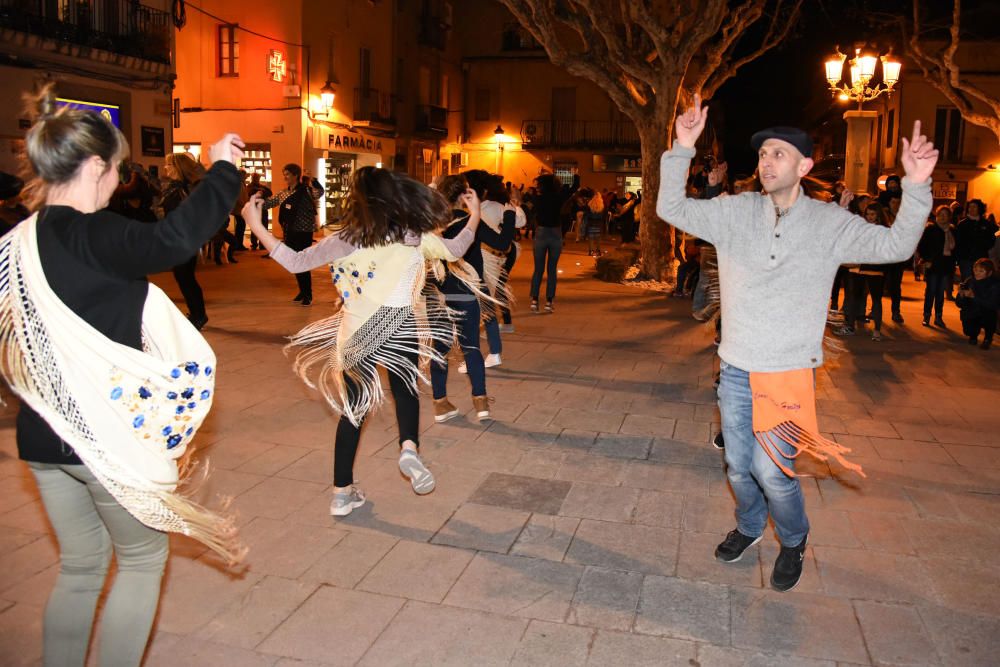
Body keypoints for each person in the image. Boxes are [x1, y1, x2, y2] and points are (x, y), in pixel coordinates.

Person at [2, 85, 243, 667]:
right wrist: (222, 172)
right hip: (105, 441)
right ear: (92, 167)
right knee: (140, 561)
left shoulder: (11, 245)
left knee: (81, 569)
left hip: (41, 440)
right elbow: (175, 239)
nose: (118, 180)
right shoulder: (95, 234)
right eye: (116, 168)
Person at [658, 97, 936, 592]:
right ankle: (747, 527)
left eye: (778, 154)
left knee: (772, 471)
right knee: (739, 468)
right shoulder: (733, 213)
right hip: (736, 367)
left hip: (786, 371)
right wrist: (682, 147)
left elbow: (895, 247)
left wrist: (916, 186)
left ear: (804, 166)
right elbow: (669, 207)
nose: (766, 162)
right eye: (763, 155)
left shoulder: (830, 223)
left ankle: (793, 539)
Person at [243, 167, 479, 516]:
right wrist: (473, 215)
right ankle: (409, 450)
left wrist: (256, 224)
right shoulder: (412, 236)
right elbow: (457, 248)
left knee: (354, 411)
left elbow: (295, 262)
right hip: (400, 327)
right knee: (405, 391)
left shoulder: (346, 239)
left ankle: (341, 493)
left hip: (356, 336)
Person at [428, 175, 501, 423]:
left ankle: (440, 404)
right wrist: (508, 213)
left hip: (437, 295)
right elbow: (504, 244)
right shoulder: (472, 222)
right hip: (465, 293)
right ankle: (481, 404)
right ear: (464, 195)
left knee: (440, 351)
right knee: (471, 348)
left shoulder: (430, 224)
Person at [162, 152, 214, 330]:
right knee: (184, 277)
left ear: (177, 168)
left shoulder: (184, 190)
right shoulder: (176, 187)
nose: (165, 168)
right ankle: (196, 313)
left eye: (168, 165)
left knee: (185, 277)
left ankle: (198, 314)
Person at [262, 164, 324, 305]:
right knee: (295, 262)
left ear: (296, 175)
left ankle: (307, 294)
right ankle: (302, 291)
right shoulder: (283, 193)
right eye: (284, 174)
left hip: (304, 232)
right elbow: (269, 203)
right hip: (289, 232)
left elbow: (319, 192)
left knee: (303, 262)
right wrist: (256, 200)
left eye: (288, 174)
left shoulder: (307, 190)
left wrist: (313, 178)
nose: (285, 177)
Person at [835, 203, 890, 341]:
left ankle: (877, 330)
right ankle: (850, 326)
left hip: (875, 269)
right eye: (867, 214)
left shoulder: (884, 229)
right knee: (854, 298)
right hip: (858, 267)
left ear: (878, 214)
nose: (870, 217)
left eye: (873, 214)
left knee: (876, 299)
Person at [917, 205, 957, 327]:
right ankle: (927, 315)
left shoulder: (952, 231)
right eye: (940, 215)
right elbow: (922, 246)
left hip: (946, 265)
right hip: (933, 265)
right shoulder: (931, 229)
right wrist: (926, 259)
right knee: (931, 291)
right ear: (936, 216)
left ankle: (939, 316)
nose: (942, 217)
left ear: (949, 217)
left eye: (945, 215)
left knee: (940, 292)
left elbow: (956, 248)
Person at [529, 173, 563, 312]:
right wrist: (576, 175)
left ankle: (534, 300)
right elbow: (574, 188)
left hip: (541, 233)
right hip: (555, 233)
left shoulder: (537, 199)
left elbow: (532, 212)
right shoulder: (559, 198)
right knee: (552, 270)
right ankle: (549, 302)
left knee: (538, 269)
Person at [955, 258, 999, 350]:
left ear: (989, 273)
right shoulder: (970, 281)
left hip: (986, 311)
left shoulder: (995, 284)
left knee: (990, 315)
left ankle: (988, 338)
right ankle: (973, 335)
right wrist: (961, 295)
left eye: (981, 271)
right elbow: (959, 304)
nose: (977, 273)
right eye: (975, 270)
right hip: (973, 311)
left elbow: (992, 304)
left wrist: (973, 297)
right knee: (968, 330)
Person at [954, 199, 998, 282]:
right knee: (967, 281)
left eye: (974, 207)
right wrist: (959, 258)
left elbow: (991, 240)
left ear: (979, 209)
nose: (971, 209)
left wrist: (983, 246)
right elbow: (958, 242)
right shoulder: (962, 224)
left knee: (981, 281)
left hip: (981, 258)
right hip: (966, 259)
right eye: (970, 207)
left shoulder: (986, 224)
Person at [247, 172, 272, 251]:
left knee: (264, 227)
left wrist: (261, 190)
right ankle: (254, 243)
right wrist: (259, 190)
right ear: (252, 178)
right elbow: (250, 194)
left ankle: (262, 244)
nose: (257, 179)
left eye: (257, 178)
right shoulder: (250, 187)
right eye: (256, 178)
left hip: (262, 208)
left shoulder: (261, 186)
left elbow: (270, 193)